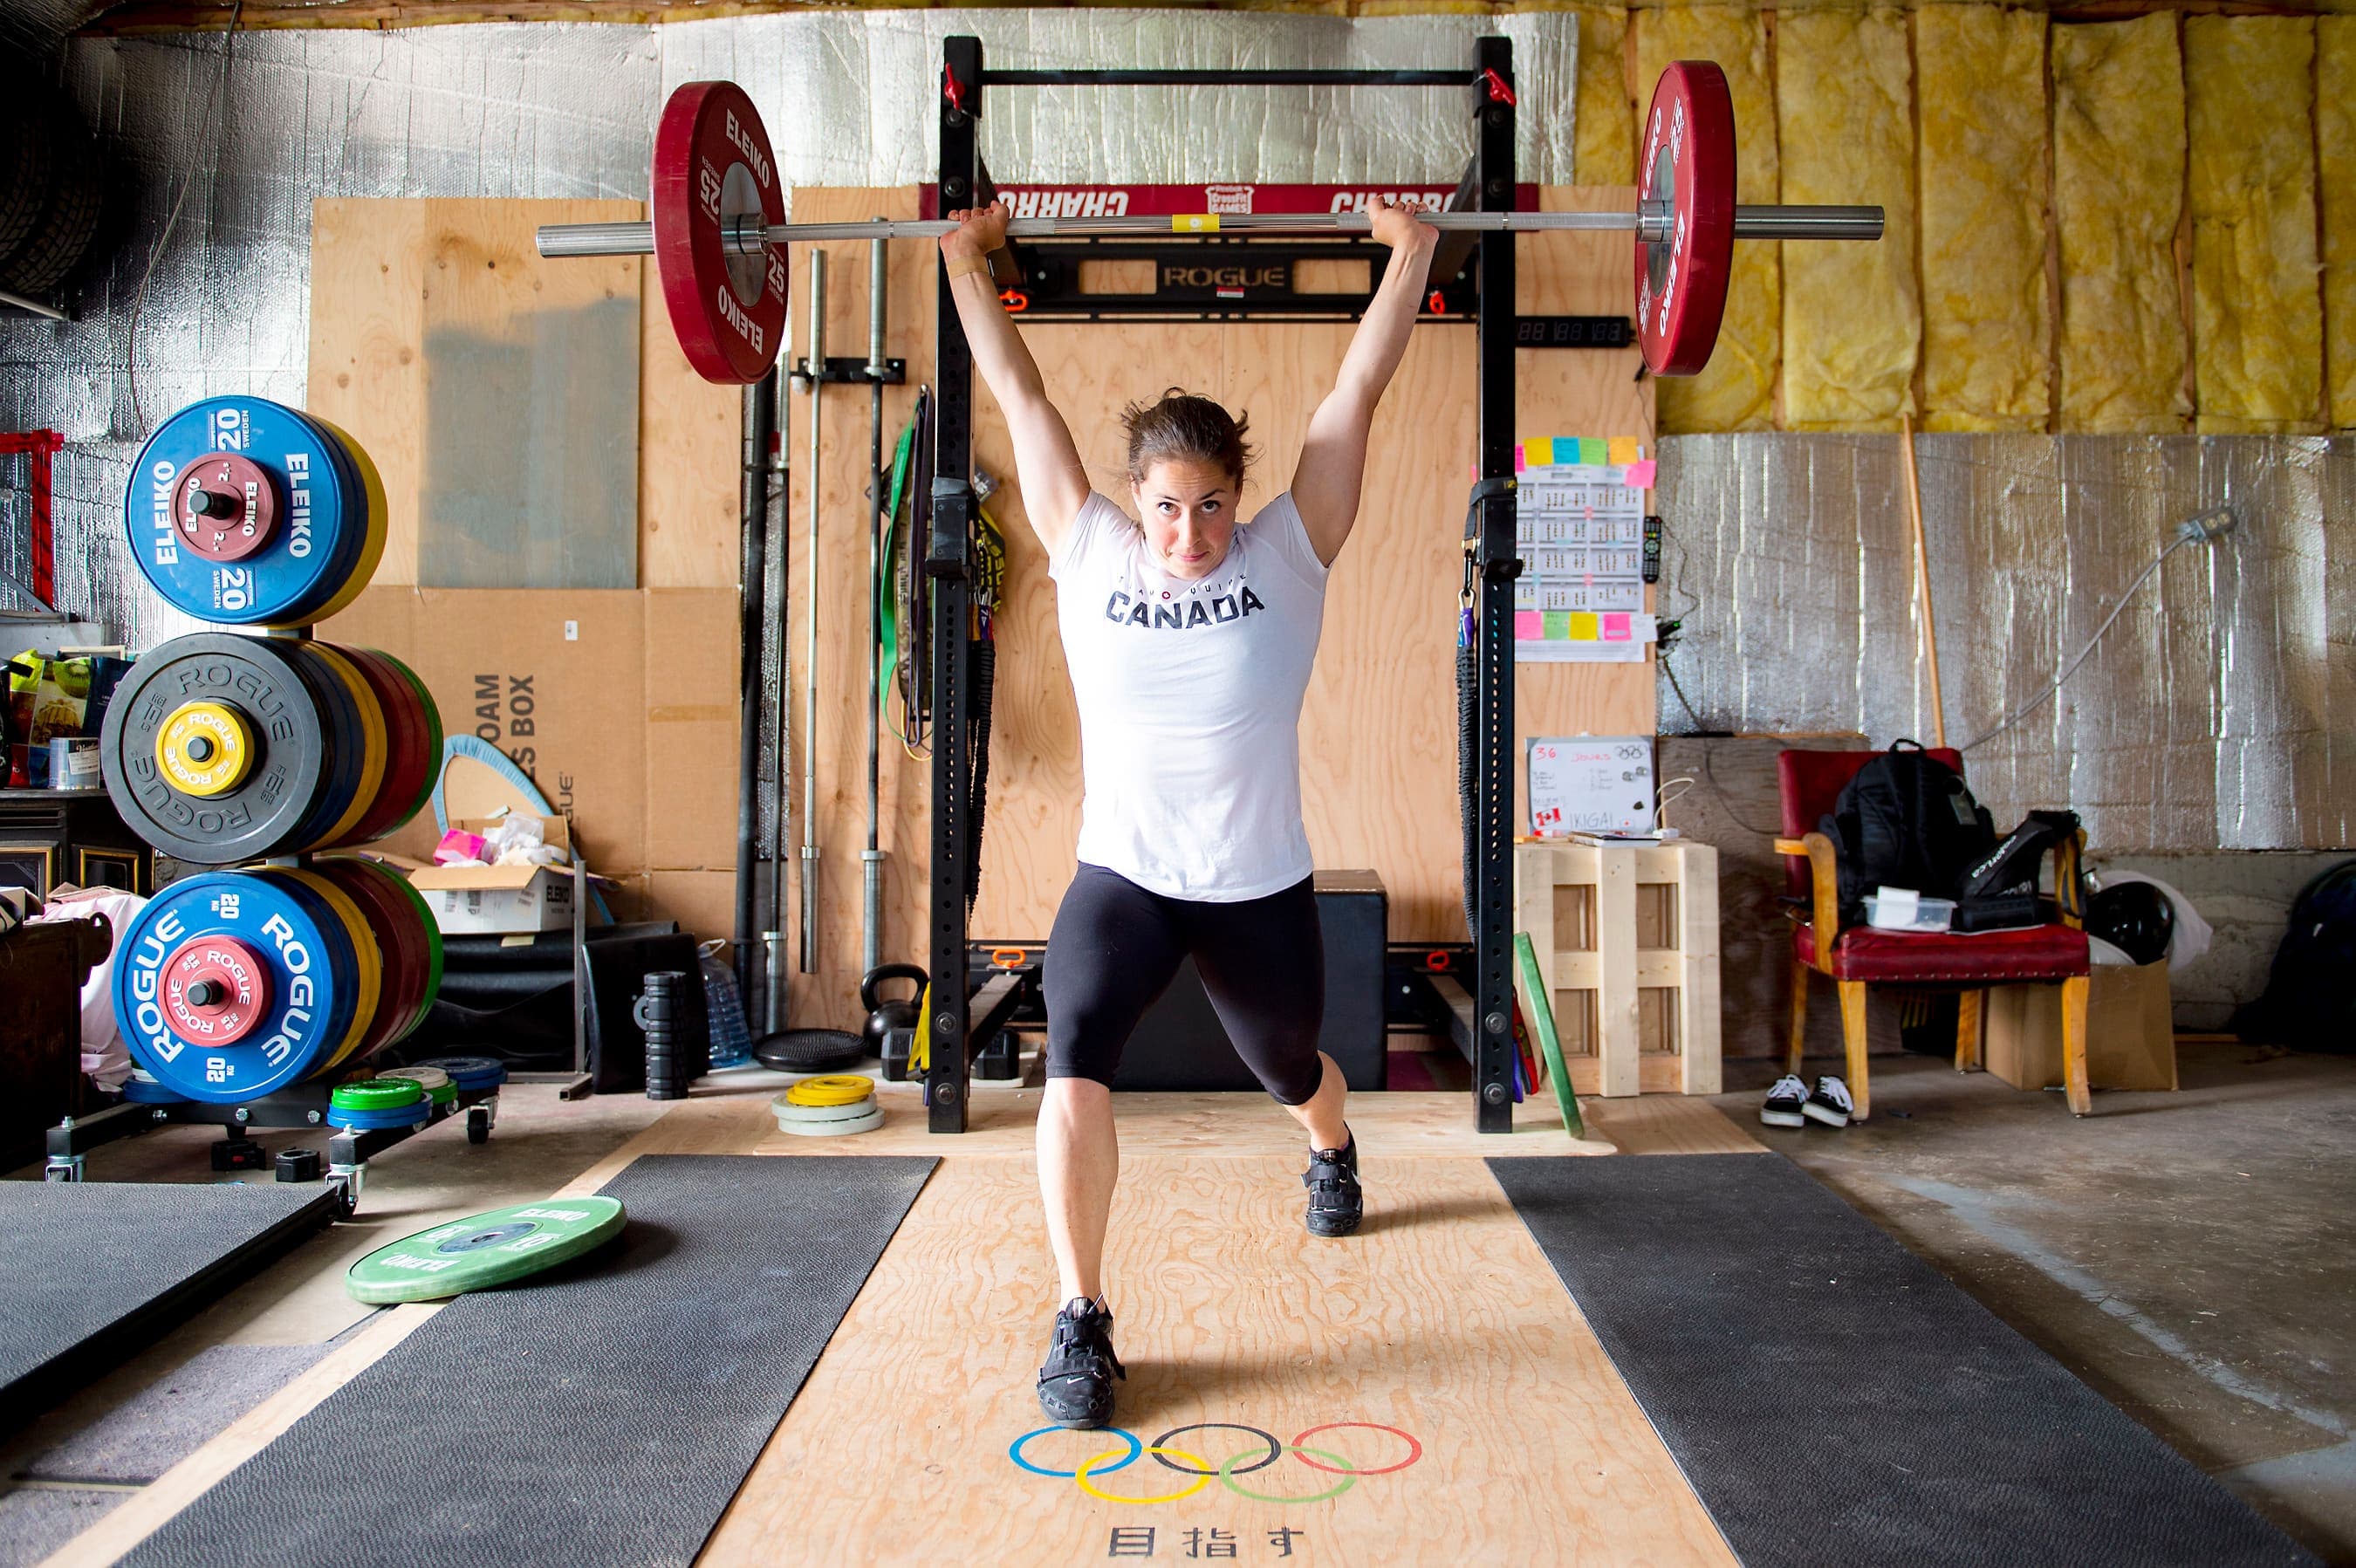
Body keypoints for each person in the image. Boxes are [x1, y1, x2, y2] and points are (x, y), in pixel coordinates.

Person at [937, 196, 1441, 1430]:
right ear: (1133, 499)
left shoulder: (1291, 555)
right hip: (1125, 873)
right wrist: (964, 259)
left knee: (1290, 1066)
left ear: (1240, 496)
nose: (1189, 531)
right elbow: (1017, 388)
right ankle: (1081, 1318)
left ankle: (1330, 1148)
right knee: (1076, 1056)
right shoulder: (1090, 547)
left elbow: (1354, 394)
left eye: (1211, 503)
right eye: (1167, 505)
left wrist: (1416, 257)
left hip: (1257, 878)